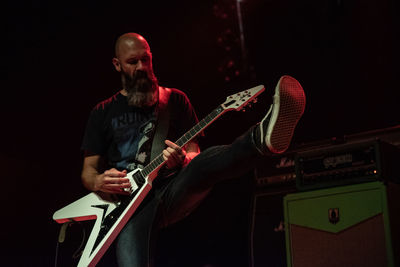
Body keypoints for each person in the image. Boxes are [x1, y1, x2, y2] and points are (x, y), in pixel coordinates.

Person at [80, 32, 306, 267]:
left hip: (170, 190)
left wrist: (181, 160)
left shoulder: (174, 100)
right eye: (132, 62)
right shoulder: (102, 112)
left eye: (145, 59)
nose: (141, 67)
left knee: (204, 162)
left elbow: (194, 153)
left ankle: (259, 139)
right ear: (117, 64)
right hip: (127, 207)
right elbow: (88, 172)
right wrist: (98, 182)